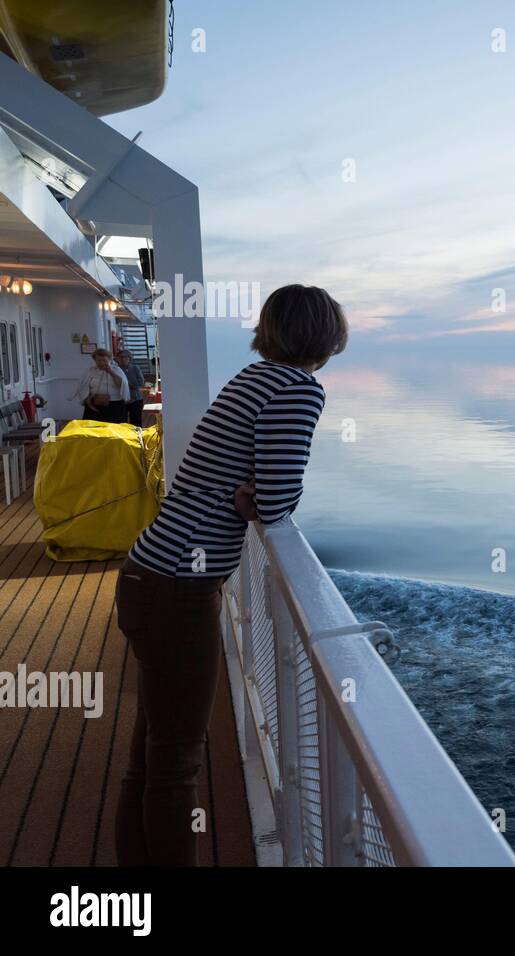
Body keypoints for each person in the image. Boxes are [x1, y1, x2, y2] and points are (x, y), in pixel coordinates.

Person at [114, 285, 347, 866]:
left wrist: (249, 496)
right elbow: (276, 500)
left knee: (152, 750)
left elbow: (249, 484)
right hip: (175, 590)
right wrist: (255, 502)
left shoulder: (252, 378)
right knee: (175, 760)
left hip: (149, 572)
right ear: (326, 336)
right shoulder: (297, 389)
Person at [73, 349, 130, 422]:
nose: (101, 363)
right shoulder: (90, 371)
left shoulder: (116, 370)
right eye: (99, 360)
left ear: (109, 360)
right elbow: (83, 386)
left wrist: (111, 372)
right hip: (95, 404)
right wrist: (87, 399)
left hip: (114, 404)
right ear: (95, 360)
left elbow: (123, 385)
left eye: (104, 360)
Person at [116, 349, 147, 427]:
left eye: (125, 357)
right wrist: (130, 385)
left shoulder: (135, 368)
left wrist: (126, 384)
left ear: (130, 358)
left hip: (136, 399)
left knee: (136, 421)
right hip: (121, 399)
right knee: (122, 421)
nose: (123, 359)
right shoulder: (115, 369)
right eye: (120, 357)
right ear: (117, 359)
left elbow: (141, 382)